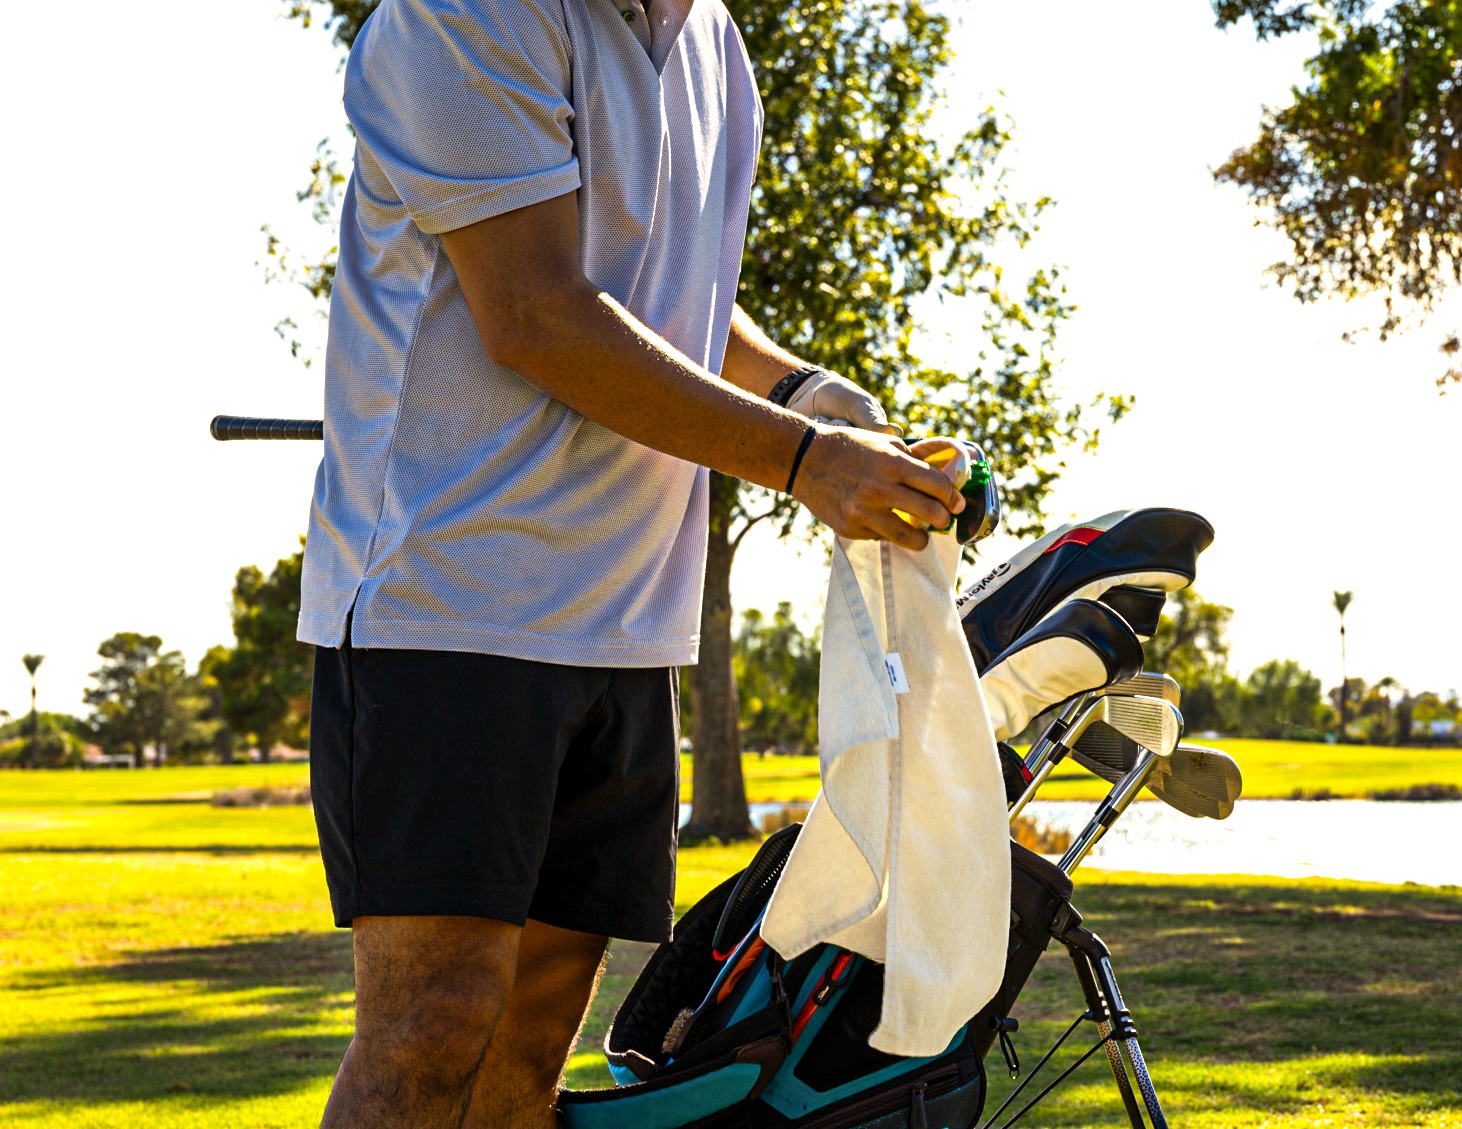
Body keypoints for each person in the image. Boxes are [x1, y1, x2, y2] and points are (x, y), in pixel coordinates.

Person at [293, 1, 963, 1125]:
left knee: (532, 1043)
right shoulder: (458, 17)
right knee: (434, 1026)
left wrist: (800, 391)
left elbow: (661, 294)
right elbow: (537, 312)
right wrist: (806, 462)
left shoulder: (712, 44)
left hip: (628, 625)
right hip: (443, 610)